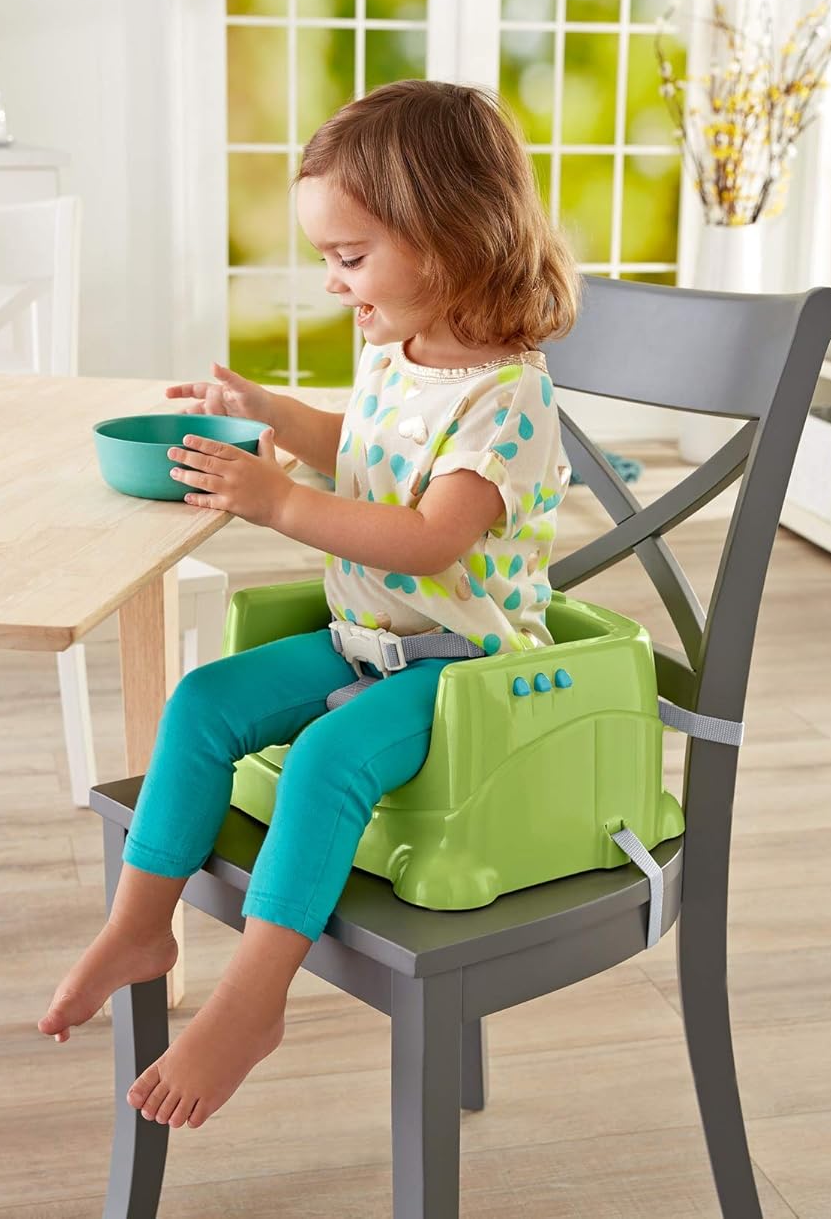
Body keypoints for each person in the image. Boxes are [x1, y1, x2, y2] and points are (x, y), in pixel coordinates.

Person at [39, 78, 580, 1132]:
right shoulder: (396, 351)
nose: (334, 283)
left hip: (464, 674)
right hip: (365, 639)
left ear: (450, 237)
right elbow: (364, 447)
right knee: (202, 702)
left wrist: (280, 502)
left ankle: (254, 998)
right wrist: (271, 414)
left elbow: (431, 537)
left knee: (327, 761)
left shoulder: (510, 399)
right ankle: (140, 925)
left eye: (350, 256)